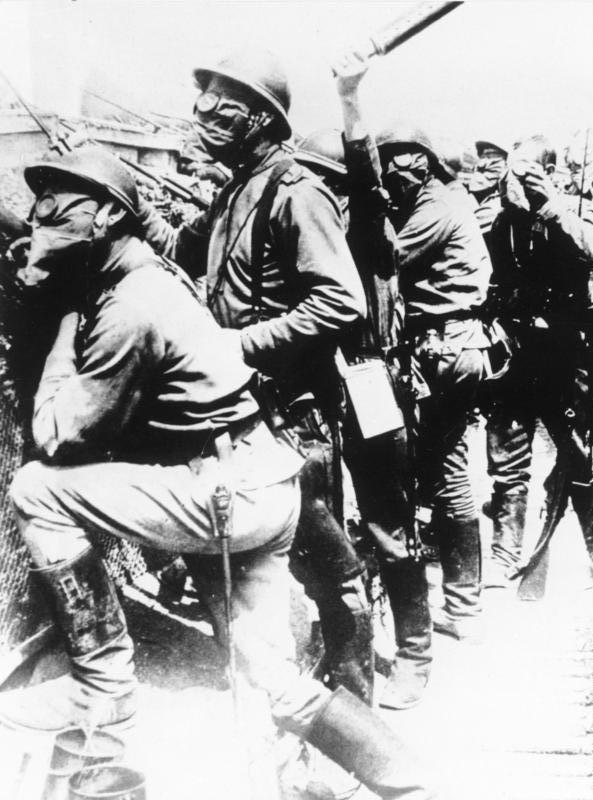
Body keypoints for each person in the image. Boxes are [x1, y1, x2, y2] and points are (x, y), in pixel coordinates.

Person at [0, 143, 440, 800]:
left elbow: (58, 434)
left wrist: (62, 317)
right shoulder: (150, 276)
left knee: (37, 490)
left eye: (55, 213)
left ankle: (102, 684)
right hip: (260, 484)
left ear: (107, 217)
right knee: (270, 675)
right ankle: (408, 781)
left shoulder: (133, 305)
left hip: (220, 492)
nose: (39, 224)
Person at [137, 47, 375, 705]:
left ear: (262, 120)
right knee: (251, 569)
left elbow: (340, 301)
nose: (205, 116)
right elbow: (176, 248)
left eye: (224, 109)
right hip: (242, 413)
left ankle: (356, 711)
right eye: (203, 104)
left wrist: (235, 343)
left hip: (291, 415)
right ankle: (290, 704)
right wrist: (116, 195)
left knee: (328, 571)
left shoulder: (296, 191)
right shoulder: (234, 190)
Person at [331, 51, 493, 643]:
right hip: (455, 346)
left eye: (406, 158)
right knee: (444, 469)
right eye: (391, 157)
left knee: (446, 473)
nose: (398, 168)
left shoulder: (437, 205)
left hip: (446, 349)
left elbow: (389, 255)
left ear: (425, 162)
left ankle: (460, 602)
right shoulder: (444, 199)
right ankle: (460, 599)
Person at [295, 129, 432, 710]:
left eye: (324, 182)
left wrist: (352, 111)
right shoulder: (305, 230)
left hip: (371, 382)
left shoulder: (368, 229)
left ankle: (415, 656)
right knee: (327, 524)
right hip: (323, 390)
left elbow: (370, 189)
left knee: (387, 525)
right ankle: (344, 651)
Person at [482, 132, 593, 587]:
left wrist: (552, 208)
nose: (519, 178)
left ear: (550, 172)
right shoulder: (502, 221)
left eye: (530, 169)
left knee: (579, 459)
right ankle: (504, 554)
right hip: (517, 351)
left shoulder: (571, 214)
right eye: (515, 168)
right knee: (506, 457)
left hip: (566, 355)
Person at [468, 139, 508, 256]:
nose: (483, 163)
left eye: (492, 156)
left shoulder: (497, 206)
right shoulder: (471, 195)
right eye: (483, 156)